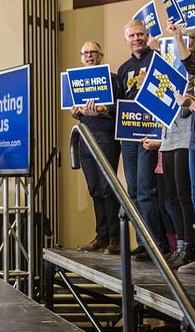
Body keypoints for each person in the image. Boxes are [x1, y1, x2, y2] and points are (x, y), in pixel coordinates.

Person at [116, 20, 169, 259]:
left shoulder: (157, 59)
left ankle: (156, 244)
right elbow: (118, 103)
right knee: (134, 190)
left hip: (149, 132)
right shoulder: (123, 68)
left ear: (147, 36)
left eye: (140, 34)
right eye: (132, 36)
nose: (136, 39)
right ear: (126, 40)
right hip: (128, 135)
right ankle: (142, 242)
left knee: (147, 189)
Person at [71, 41, 122, 255]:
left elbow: (118, 105)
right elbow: (74, 108)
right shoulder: (75, 82)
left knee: (108, 188)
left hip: (105, 137)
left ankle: (115, 239)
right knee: (94, 189)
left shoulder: (112, 79)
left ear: (100, 55)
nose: (89, 56)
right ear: (81, 57)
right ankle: (101, 237)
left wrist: (100, 110)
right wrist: (75, 112)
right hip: (85, 138)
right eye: (85, 53)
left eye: (93, 52)